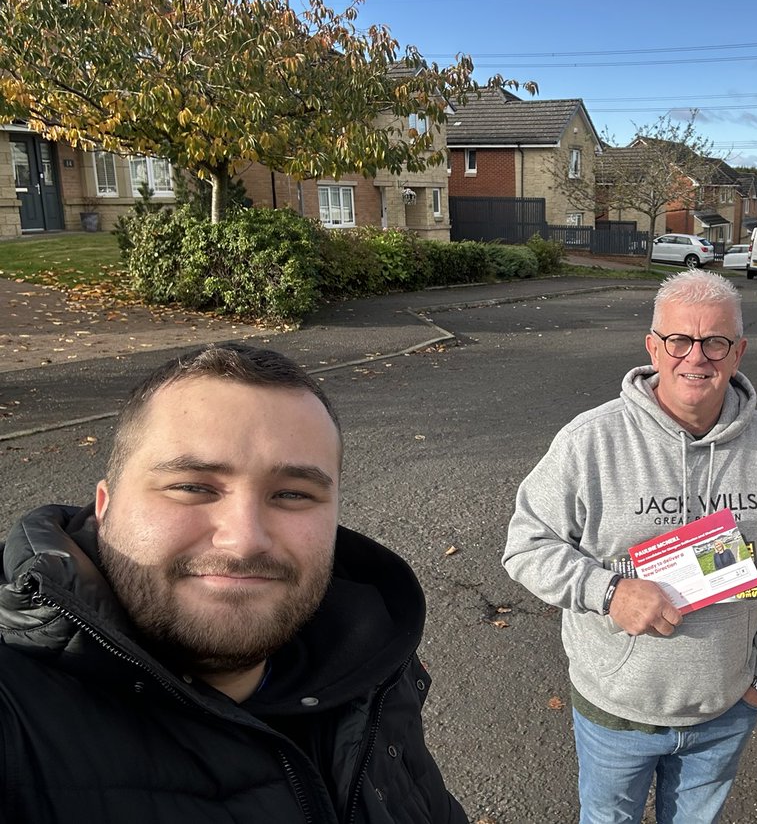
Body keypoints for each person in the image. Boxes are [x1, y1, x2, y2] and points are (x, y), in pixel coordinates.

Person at [0, 343, 467, 824]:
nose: (244, 541)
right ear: (105, 506)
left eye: (292, 494)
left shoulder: (371, 664)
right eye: (192, 487)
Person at [503, 269, 757, 824]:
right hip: (616, 710)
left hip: (725, 711)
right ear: (652, 347)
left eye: (715, 342)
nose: (697, 357)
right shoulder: (589, 442)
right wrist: (609, 591)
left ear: (738, 353)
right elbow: (526, 546)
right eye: (679, 340)